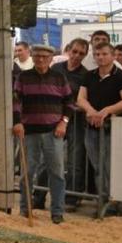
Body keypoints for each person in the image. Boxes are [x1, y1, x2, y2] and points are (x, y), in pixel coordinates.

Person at [12, 44, 72, 224]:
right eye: (37, 56)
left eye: (44, 57)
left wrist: (64, 122)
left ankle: (57, 212)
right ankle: (25, 208)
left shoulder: (59, 78)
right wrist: (17, 122)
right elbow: (16, 102)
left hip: (54, 132)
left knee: (57, 173)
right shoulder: (23, 77)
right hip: (29, 132)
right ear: (33, 56)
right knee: (27, 173)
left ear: (51, 58)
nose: (40, 59)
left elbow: (69, 102)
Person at [77, 42, 122, 212]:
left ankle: (112, 203)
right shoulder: (89, 75)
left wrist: (106, 111)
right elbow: (80, 98)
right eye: (97, 54)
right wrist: (92, 112)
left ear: (112, 55)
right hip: (92, 128)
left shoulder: (121, 76)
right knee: (98, 167)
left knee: (109, 167)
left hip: (113, 129)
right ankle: (104, 200)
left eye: (104, 54)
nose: (100, 57)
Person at [51, 38, 90, 210]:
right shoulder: (56, 68)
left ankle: (72, 198)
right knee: (49, 157)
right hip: (54, 118)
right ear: (68, 50)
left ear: (85, 55)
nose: (76, 56)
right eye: (74, 51)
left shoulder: (86, 75)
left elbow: (83, 99)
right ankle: (39, 195)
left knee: (75, 160)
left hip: (76, 121)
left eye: (81, 53)